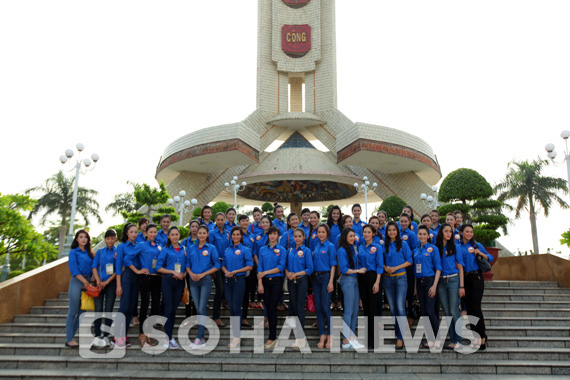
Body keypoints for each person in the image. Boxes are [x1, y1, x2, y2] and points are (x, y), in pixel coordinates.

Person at [124, 223, 162, 347]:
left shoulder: (159, 246)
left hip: (158, 278)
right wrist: (137, 271)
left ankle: (149, 331)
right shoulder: (141, 245)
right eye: (150, 232)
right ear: (146, 233)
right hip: (145, 278)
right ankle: (142, 333)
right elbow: (127, 259)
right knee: (145, 305)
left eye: (155, 232)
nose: (153, 234)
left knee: (156, 305)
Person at [459, 224, 493, 350]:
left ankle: (482, 337)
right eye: (467, 231)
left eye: (471, 232)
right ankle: (475, 337)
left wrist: (481, 253)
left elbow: (491, 257)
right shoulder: (458, 246)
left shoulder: (477, 245)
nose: (469, 234)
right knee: (470, 309)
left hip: (476, 278)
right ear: (461, 232)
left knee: (476, 307)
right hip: (464, 279)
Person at [186, 225, 220, 349]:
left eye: (203, 233)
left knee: (201, 308)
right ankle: (201, 336)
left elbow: (217, 265)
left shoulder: (211, 248)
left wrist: (204, 274)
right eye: (199, 233)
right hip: (193, 281)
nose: (201, 235)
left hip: (205, 280)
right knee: (197, 307)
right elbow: (187, 263)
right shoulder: (191, 248)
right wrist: (190, 274)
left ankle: (200, 336)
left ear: (207, 235)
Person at [382, 221, 412, 350]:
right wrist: (385, 267)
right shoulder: (384, 245)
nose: (392, 232)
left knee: (400, 307)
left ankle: (401, 337)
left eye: (394, 230)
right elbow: (380, 261)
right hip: (388, 279)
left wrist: (395, 268)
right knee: (393, 309)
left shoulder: (403, 244)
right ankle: (398, 334)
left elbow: (409, 261)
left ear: (397, 231)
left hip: (400, 278)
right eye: (389, 230)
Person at [222, 227, 254, 348]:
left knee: (236, 307)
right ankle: (235, 334)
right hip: (227, 280)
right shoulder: (227, 250)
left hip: (239, 280)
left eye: (237, 234)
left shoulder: (245, 250)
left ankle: (236, 336)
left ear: (241, 236)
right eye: (233, 234)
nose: (235, 236)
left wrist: (235, 271)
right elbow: (223, 265)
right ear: (231, 236)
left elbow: (250, 266)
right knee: (231, 307)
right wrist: (226, 271)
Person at [157, 226, 187, 349]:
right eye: (172, 234)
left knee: (174, 310)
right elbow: (158, 267)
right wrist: (173, 272)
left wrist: (183, 274)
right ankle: (168, 337)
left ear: (180, 235)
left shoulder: (184, 249)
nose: (175, 236)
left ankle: (169, 336)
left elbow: (187, 265)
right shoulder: (165, 250)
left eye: (177, 234)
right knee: (168, 309)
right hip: (168, 281)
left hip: (180, 282)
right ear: (169, 236)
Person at [435, 223, 465, 350]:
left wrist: (462, 286)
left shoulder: (456, 247)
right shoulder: (436, 247)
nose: (448, 233)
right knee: (447, 312)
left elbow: (460, 267)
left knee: (454, 311)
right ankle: (452, 340)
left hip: (453, 280)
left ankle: (459, 340)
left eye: (450, 231)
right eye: (446, 231)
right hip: (441, 282)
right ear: (441, 232)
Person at [257, 226, 287, 349]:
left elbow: (281, 267)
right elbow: (260, 267)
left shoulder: (282, 250)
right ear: (268, 235)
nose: (272, 236)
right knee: (268, 308)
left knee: (273, 308)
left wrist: (265, 273)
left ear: (278, 236)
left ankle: (272, 337)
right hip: (264, 282)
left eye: (275, 234)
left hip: (276, 282)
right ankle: (272, 336)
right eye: (271, 234)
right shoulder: (262, 249)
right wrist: (260, 282)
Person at [337, 228, 366, 350]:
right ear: (345, 237)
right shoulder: (342, 250)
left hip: (354, 280)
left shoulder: (353, 248)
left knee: (354, 311)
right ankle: (345, 339)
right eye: (350, 236)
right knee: (348, 311)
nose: (353, 238)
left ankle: (352, 337)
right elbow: (344, 269)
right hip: (347, 280)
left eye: (354, 236)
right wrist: (358, 271)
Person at [284, 228, 313, 349]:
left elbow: (310, 268)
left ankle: (300, 337)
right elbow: (285, 266)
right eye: (295, 236)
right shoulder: (289, 250)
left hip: (301, 281)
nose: (297, 238)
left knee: (300, 308)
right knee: (294, 306)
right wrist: (288, 273)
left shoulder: (306, 251)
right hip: (291, 282)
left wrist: (295, 274)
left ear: (304, 237)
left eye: (300, 236)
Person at [414, 225, 442, 349]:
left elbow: (438, 268)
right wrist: (415, 287)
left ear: (428, 235)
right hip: (419, 283)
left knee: (431, 311)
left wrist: (434, 286)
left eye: (424, 234)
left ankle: (438, 338)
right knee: (424, 312)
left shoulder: (433, 248)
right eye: (420, 234)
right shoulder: (415, 250)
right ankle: (430, 339)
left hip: (430, 281)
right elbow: (416, 269)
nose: (422, 236)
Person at [65, 230, 93, 348]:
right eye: (81, 237)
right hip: (77, 281)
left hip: (88, 282)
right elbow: (74, 270)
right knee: (73, 311)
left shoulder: (90, 253)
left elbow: (95, 267)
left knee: (83, 312)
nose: (83, 239)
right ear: (76, 239)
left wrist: (90, 281)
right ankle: (69, 338)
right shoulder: (73, 252)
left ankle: (71, 336)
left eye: (85, 237)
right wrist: (84, 282)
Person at [114, 223, 140, 349]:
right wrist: (118, 285)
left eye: (136, 232)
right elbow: (118, 267)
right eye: (131, 232)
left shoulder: (139, 245)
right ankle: (116, 336)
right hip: (126, 278)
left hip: (136, 279)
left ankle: (123, 336)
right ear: (126, 233)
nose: (134, 234)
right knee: (123, 308)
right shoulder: (122, 247)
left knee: (130, 309)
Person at [358, 224, 383, 350]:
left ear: (373, 233)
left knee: (373, 309)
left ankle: (375, 340)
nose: (366, 234)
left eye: (369, 232)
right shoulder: (360, 247)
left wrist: (377, 282)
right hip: (362, 278)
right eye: (364, 232)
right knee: (366, 310)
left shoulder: (377, 247)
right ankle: (368, 340)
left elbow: (379, 266)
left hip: (373, 278)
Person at [91, 229, 117, 348]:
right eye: (108, 238)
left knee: (108, 310)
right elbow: (94, 267)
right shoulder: (100, 252)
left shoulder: (118, 252)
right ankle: (97, 336)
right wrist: (98, 281)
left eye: (112, 238)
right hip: (99, 284)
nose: (110, 240)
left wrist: (106, 282)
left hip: (111, 284)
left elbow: (118, 270)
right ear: (105, 239)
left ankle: (106, 336)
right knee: (98, 310)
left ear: (115, 239)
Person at [312, 224, 337, 349]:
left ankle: (331, 335)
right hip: (316, 279)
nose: (321, 234)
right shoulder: (316, 246)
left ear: (327, 233)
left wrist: (331, 281)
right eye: (319, 232)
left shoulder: (330, 246)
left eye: (323, 232)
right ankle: (322, 334)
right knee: (319, 307)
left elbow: (333, 265)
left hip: (326, 277)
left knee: (326, 307)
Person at [210, 212, 230, 327]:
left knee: (224, 289)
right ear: (215, 220)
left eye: (222, 219)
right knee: (219, 289)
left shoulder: (227, 234)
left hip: (226, 264)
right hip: (217, 264)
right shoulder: (212, 233)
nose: (220, 222)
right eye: (218, 219)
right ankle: (215, 316)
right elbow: (211, 249)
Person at [399, 213, 419, 325]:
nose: (403, 223)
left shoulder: (411, 234)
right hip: (399, 266)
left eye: (405, 221)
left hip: (409, 265)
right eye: (401, 221)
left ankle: (410, 315)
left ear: (409, 222)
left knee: (410, 291)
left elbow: (415, 250)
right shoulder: (397, 233)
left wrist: (406, 254)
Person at [239, 214, 256, 326]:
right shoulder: (236, 234)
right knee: (237, 295)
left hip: (250, 267)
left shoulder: (252, 236)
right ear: (239, 222)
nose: (245, 223)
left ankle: (244, 317)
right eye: (243, 221)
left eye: (247, 221)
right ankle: (237, 318)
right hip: (238, 268)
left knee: (246, 294)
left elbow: (254, 252)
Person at [253, 215, 272, 309]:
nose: (265, 224)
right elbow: (255, 252)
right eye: (263, 222)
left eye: (267, 222)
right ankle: (260, 301)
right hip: (259, 265)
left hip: (271, 267)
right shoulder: (258, 236)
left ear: (270, 223)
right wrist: (258, 264)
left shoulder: (274, 236)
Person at [182, 220, 200, 319]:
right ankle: (188, 316)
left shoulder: (202, 240)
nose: (194, 228)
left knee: (198, 296)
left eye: (196, 226)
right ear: (189, 228)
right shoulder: (185, 242)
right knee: (189, 294)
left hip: (199, 272)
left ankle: (196, 315)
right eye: (192, 226)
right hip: (188, 271)